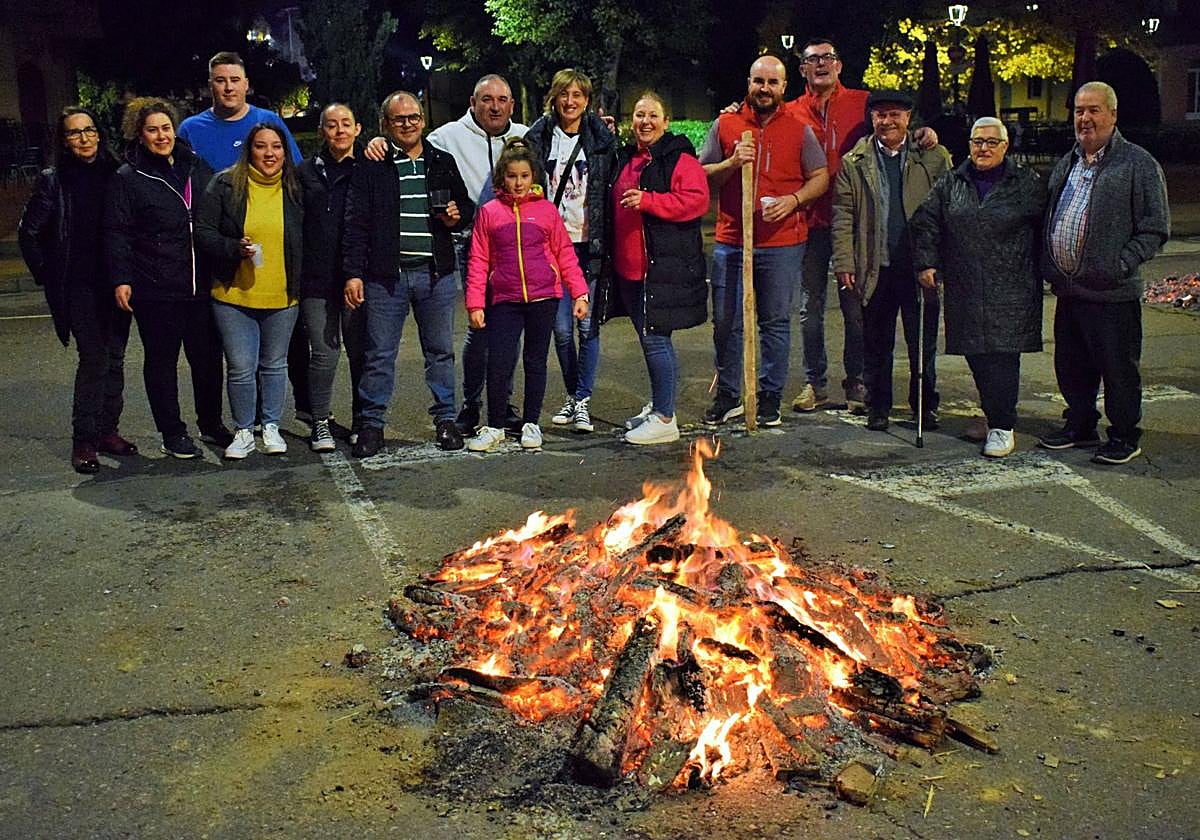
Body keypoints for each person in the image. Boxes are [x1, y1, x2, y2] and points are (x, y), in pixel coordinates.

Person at [789, 39, 937, 416]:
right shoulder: (790, 111)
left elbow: (900, 125)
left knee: (857, 307)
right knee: (809, 309)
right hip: (808, 221)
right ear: (802, 68)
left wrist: (925, 133)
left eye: (828, 57)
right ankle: (814, 382)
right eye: (812, 59)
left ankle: (857, 381)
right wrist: (734, 109)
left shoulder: (862, 102)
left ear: (839, 65)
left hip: (857, 224)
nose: (821, 64)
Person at [1037, 81, 1169, 465]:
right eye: (1079, 111)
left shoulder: (1138, 164)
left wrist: (1121, 263)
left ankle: (1125, 435)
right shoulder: (1069, 162)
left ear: (1112, 114)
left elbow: (1155, 227)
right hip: (1070, 290)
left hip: (1112, 293)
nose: (1085, 118)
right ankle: (1080, 424)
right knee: (1072, 366)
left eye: (1094, 110)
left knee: (1118, 370)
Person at [178, 50, 309, 425]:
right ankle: (217, 423)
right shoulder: (191, 129)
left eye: (235, 80)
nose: (228, 87)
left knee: (281, 350)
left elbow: (296, 175)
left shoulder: (268, 122)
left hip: (270, 252)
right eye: (220, 80)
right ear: (210, 85)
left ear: (247, 84)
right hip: (214, 251)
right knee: (222, 352)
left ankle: (294, 414)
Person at [699, 55, 829, 427]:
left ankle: (769, 396)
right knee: (727, 322)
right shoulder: (725, 124)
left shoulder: (799, 129)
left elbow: (820, 176)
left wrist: (794, 200)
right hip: (732, 240)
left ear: (784, 86)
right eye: (759, 81)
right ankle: (728, 395)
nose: (765, 89)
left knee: (775, 322)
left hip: (783, 242)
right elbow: (701, 174)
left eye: (773, 82)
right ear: (749, 83)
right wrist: (730, 163)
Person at [342, 91, 474, 458]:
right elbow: (356, 222)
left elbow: (465, 207)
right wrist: (353, 273)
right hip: (386, 277)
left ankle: (445, 420)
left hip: (436, 275)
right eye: (399, 119)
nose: (407, 124)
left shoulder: (441, 161)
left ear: (423, 120)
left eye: (413, 117)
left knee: (441, 352)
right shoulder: (373, 164)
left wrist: (456, 215)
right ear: (385, 124)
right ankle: (372, 425)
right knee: (379, 355)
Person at [911, 117, 1047, 458]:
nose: (983, 148)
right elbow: (926, 220)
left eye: (991, 142)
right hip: (966, 286)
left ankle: (1002, 426)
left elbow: (1046, 226)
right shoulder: (952, 182)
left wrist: (1049, 269)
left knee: (1002, 357)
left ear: (1005, 146)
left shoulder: (1026, 183)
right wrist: (927, 262)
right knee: (977, 353)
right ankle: (993, 415)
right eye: (977, 142)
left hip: (1011, 287)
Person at [105, 99, 231, 458]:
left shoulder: (195, 164)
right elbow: (117, 232)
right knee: (162, 364)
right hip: (156, 287)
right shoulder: (128, 177)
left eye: (166, 128)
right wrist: (121, 278)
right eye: (152, 130)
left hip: (200, 283)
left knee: (207, 360)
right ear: (139, 134)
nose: (161, 136)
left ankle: (211, 424)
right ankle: (172, 432)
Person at [18, 106, 136, 474]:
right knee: (94, 358)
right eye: (74, 133)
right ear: (64, 141)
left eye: (89, 130)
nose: (83, 138)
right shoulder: (54, 180)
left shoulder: (117, 172)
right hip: (79, 286)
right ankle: (84, 440)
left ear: (99, 134)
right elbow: (29, 233)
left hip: (116, 282)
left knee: (115, 358)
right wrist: (49, 275)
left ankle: (107, 431)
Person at [831, 90, 951, 433]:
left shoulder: (933, 157)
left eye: (895, 114)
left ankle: (924, 405)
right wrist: (845, 262)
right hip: (875, 266)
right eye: (880, 115)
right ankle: (878, 406)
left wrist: (941, 260)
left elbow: (949, 207)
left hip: (920, 268)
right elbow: (842, 215)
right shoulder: (855, 162)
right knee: (876, 343)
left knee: (922, 344)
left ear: (908, 118)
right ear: (872, 119)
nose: (887, 121)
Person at [463, 138, 590, 452]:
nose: (518, 183)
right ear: (501, 177)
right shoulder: (489, 212)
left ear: (533, 176)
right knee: (499, 363)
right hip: (504, 300)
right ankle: (495, 426)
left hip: (543, 299)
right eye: (511, 176)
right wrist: (475, 303)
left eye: (524, 175)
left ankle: (531, 422)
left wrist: (580, 293)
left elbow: (564, 253)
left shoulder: (546, 211)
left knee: (535, 361)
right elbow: (478, 260)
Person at [598, 92, 709, 445]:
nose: (645, 122)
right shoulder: (627, 157)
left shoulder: (679, 158)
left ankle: (664, 417)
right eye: (639, 115)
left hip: (660, 270)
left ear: (666, 122)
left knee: (656, 340)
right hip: (628, 270)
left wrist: (649, 201)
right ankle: (660, 404)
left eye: (652, 116)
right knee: (650, 341)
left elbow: (697, 201)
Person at [195, 124, 303, 459]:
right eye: (261, 146)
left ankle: (270, 426)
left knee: (274, 364)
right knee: (241, 366)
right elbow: (203, 231)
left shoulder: (296, 187)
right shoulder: (225, 184)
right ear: (249, 151)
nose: (269, 153)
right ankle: (244, 430)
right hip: (233, 296)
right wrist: (232, 247)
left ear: (285, 152)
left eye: (276, 147)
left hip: (283, 295)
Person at [525, 69, 618, 434]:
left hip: (589, 246)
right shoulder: (538, 137)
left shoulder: (601, 138)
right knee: (561, 330)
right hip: (551, 247)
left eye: (577, 95)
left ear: (587, 100)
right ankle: (572, 393)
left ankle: (581, 400)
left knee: (587, 326)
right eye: (564, 94)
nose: (570, 101)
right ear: (554, 97)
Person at [297, 103, 365, 452]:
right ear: (321, 131)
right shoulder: (304, 172)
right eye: (332, 125)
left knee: (360, 352)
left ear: (358, 128)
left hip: (358, 277)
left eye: (346, 124)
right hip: (316, 278)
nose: (339, 131)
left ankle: (362, 420)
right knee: (324, 353)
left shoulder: (369, 168)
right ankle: (320, 421)